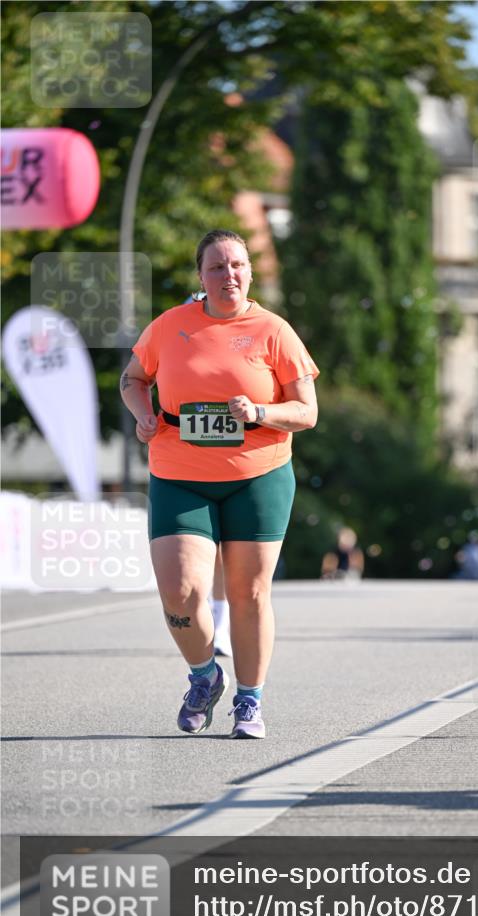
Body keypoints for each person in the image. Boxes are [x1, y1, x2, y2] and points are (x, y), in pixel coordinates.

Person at [120, 229, 319, 738]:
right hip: (178, 474)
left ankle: (249, 701)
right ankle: (205, 675)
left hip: (259, 475)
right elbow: (132, 379)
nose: (227, 275)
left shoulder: (274, 331)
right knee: (180, 592)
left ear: (249, 273)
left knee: (248, 593)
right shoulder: (169, 326)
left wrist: (260, 410)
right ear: (201, 277)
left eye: (236, 265)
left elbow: (306, 411)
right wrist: (144, 415)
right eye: (216, 267)